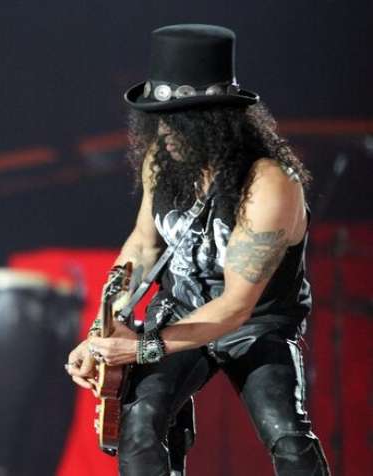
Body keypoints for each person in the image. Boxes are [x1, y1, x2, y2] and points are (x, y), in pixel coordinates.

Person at [66, 24, 330, 475]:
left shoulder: (268, 185)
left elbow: (234, 307)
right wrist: (102, 332)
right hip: (182, 306)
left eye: (179, 120)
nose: (166, 131)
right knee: (138, 425)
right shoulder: (161, 159)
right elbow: (142, 244)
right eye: (159, 118)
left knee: (287, 436)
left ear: (216, 122)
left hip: (256, 321)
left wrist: (142, 348)